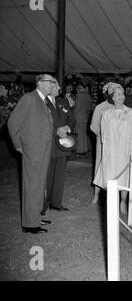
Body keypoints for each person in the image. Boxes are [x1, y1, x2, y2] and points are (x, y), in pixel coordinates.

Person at [7, 74, 55, 234]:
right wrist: (18, 144)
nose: (52, 84)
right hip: (32, 149)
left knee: (39, 185)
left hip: (43, 149)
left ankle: (35, 217)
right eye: (50, 82)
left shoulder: (43, 100)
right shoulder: (29, 98)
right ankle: (29, 224)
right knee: (32, 185)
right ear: (40, 83)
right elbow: (13, 122)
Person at [93, 83, 132, 214]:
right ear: (112, 97)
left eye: (123, 94)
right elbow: (104, 135)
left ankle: (123, 202)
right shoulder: (106, 114)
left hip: (126, 150)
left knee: (125, 176)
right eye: (118, 95)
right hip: (111, 151)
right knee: (110, 176)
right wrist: (105, 152)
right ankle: (111, 203)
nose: (121, 97)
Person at [42, 80, 76, 214]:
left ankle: (56, 203)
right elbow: (41, 122)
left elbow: (72, 118)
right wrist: (56, 130)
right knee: (46, 176)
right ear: (49, 86)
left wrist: (67, 127)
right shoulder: (42, 102)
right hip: (48, 144)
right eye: (56, 85)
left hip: (63, 144)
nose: (60, 87)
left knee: (59, 174)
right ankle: (42, 205)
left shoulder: (62, 101)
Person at [89, 83, 116, 205]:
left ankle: (114, 195)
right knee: (100, 167)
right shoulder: (100, 107)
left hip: (117, 144)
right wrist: (102, 135)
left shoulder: (121, 107)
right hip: (102, 143)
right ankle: (96, 195)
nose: (113, 93)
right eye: (111, 91)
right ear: (106, 94)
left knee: (115, 168)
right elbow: (93, 126)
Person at [74, 84, 92, 154]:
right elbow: (89, 108)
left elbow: (77, 107)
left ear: (79, 87)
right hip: (85, 117)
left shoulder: (79, 95)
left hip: (78, 117)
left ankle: (80, 150)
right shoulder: (88, 95)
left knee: (79, 134)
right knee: (84, 134)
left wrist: (73, 113)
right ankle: (86, 149)